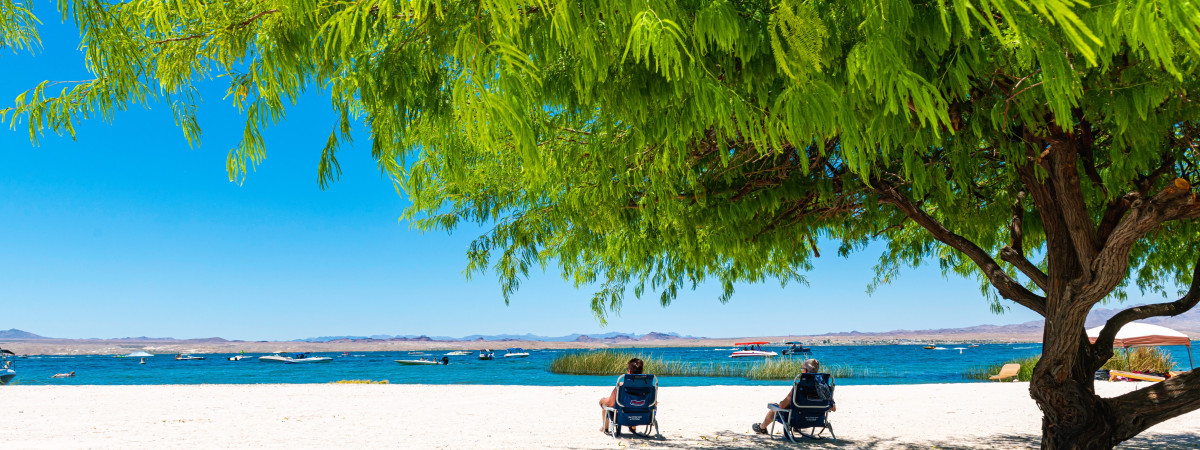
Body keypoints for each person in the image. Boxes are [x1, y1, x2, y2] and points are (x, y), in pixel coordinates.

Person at [752, 359, 835, 434]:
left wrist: (780, 403)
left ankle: (761, 428)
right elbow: (833, 408)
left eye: (802, 369)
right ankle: (797, 428)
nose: (802, 371)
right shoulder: (824, 388)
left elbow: (782, 406)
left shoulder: (800, 387)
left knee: (774, 408)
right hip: (817, 420)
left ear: (805, 371)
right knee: (799, 407)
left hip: (797, 419)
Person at [599, 358, 644, 434]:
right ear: (642, 372)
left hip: (622, 416)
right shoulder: (646, 387)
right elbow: (653, 403)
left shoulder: (621, 386)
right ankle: (632, 428)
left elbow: (610, 403)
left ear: (629, 372)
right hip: (641, 416)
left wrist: (602, 401)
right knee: (635, 403)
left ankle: (605, 428)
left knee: (605, 406)